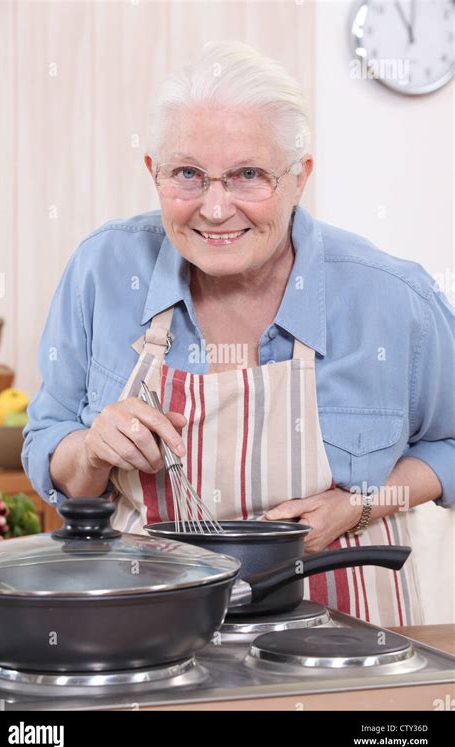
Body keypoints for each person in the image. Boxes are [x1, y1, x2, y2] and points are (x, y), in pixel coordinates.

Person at [22, 41, 454, 627]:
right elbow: (50, 445)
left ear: (300, 178)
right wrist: (93, 450)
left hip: (343, 649)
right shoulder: (102, 271)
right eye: (188, 175)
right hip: (147, 634)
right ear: (153, 173)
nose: (216, 208)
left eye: (249, 175)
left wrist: (357, 506)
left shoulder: (393, 299)